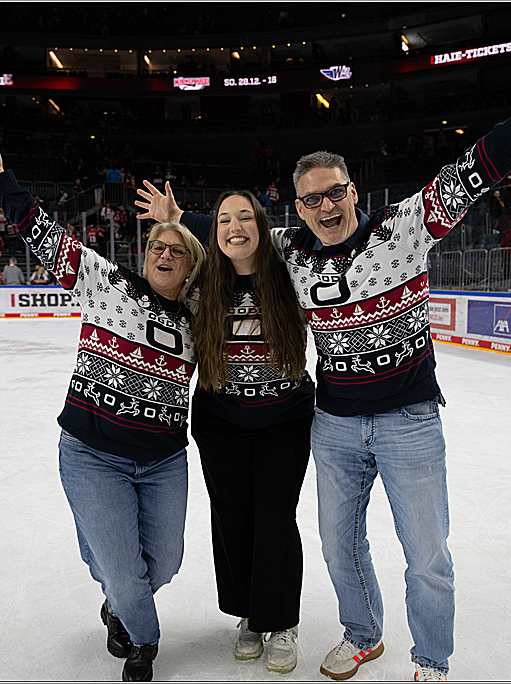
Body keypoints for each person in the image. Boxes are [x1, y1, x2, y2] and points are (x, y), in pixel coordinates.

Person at [137, 26, 511, 681]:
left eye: (335, 192)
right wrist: (178, 221)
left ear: (354, 191)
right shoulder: (291, 248)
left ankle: (432, 661)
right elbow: (232, 238)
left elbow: (476, 169)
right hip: (332, 422)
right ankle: (361, 636)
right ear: (299, 207)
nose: (326, 205)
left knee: (426, 554)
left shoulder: (405, 228)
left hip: (408, 419)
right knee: (339, 544)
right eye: (312, 199)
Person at [0, 124, 206, 682]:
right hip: (93, 454)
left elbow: (249, 266)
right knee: (123, 571)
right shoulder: (104, 284)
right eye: (157, 247)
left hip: (164, 459)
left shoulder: (201, 320)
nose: (164, 254)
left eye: (176, 251)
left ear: (190, 265)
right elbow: (43, 236)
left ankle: (117, 594)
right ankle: (143, 639)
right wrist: (2, 181)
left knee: (163, 564)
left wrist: (183, 221)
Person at [183, 189, 315, 674]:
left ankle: (280, 620)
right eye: (223, 221)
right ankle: (250, 617)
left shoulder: (291, 278)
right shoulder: (201, 287)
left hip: (284, 420)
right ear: (213, 232)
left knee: (275, 518)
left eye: (245, 218)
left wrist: (181, 213)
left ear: (261, 226)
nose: (234, 228)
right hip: (222, 425)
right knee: (234, 518)